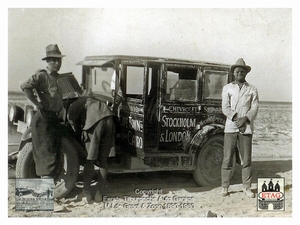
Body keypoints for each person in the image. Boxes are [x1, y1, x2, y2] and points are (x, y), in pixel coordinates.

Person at [20, 44, 66, 211]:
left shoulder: (57, 77)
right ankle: (45, 203)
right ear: (48, 61)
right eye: (55, 61)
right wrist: (37, 103)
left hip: (54, 120)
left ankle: (44, 200)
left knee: (54, 156)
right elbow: (25, 86)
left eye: (59, 61)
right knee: (46, 158)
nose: (58, 64)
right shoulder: (42, 75)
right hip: (43, 120)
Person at [221, 58, 259, 198]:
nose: (240, 73)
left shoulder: (252, 89)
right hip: (231, 126)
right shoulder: (227, 88)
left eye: (242, 71)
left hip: (246, 127)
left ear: (246, 73)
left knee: (246, 159)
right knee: (227, 158)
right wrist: (237, 118)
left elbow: (255, 107)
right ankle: (225, 186)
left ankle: (246, 187)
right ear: (234, 73)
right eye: (237, 71)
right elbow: (225, 108)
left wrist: (246, 118)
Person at [68, 97, 116, 203]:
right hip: (109, 118)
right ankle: (99, 193)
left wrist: (82, 135)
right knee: (103, 160)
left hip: (95, 120)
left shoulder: (72, 107)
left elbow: (74, 127)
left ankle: (86, 193)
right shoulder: (88, 99)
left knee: (90, 160)